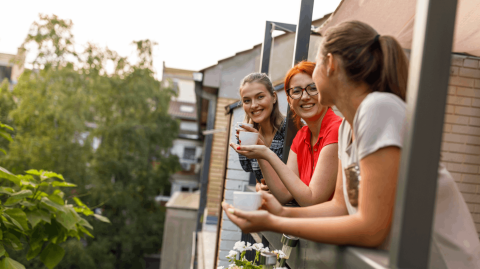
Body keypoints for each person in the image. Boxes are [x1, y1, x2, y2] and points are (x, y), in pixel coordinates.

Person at [223, 21, 480, 268]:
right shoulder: (349, 126)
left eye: (316, 71)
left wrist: (276, 222)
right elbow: (339, 207)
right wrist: (280, 213)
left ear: (331, 64)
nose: (306, 91)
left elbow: (371, 229)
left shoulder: (379, 108)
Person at [231, 61, 342, 206]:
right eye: (296, 91)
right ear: (289, 100)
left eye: (313, 88)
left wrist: (266, 153)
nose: (304, 96)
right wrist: (261, 154)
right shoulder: (301, 136)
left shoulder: (336, 129)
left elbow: (312, 200)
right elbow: (285, 193)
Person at [235, 73, 286, 193]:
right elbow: (258, 179)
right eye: (247, 100)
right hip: (267, 205)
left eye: (260, 97)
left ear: (274, 97)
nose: (253, 105)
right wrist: (259, 187)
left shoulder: (292, 130)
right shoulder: (246, 134)